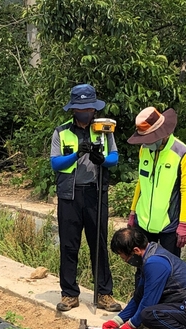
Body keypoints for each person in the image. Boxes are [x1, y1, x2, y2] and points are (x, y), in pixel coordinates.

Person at [50, 83, 122, 313]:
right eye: (81, 108)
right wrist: (75, 154)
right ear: (73, 109)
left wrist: (102, 159)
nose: (86, 112)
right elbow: (55, 164)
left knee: (98, 244)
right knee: (69, 245)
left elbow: (114, 157)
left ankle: (104, 293)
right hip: (70, 194)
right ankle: (69, 293)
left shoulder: (103, 130)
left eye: (89, 108)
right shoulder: (61, 132)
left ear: (94, 109)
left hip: (95, 192)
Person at [126, 106, 186, 257]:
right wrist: (132, 212)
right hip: (142, 222)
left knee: (168, 269)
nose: (146, 142)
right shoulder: (144, 150)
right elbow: (141, 182)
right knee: (142, 268)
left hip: (168, 225)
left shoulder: (182, 153)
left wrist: (184, 223)